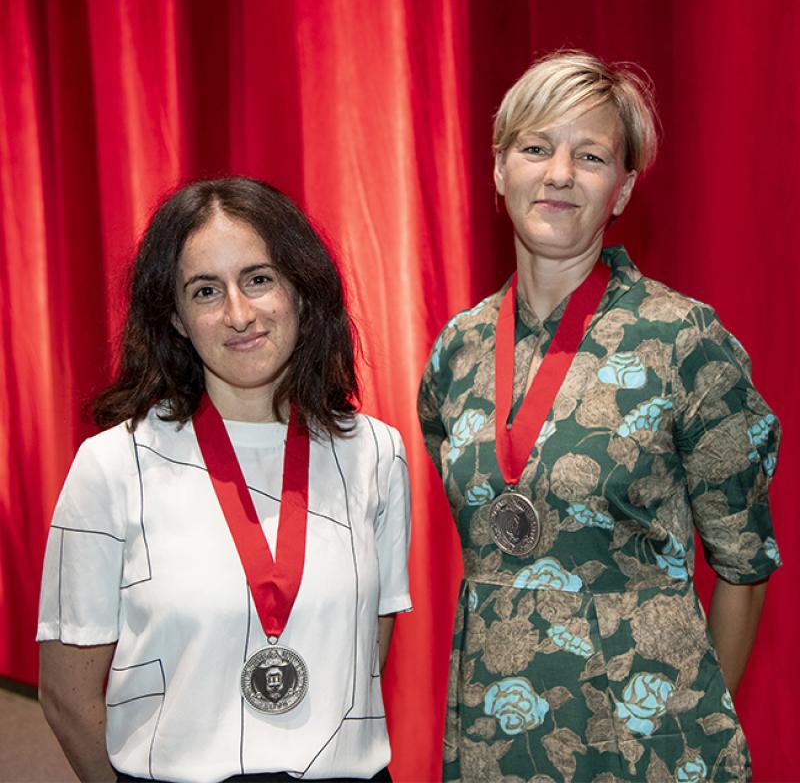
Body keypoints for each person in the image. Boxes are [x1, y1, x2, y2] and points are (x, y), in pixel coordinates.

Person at [418, 50, 781, 782]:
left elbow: (744, 565)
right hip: (497, 737)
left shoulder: (684, 340)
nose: (559, 173)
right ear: (498, 169)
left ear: (621, 190)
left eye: (589, 156)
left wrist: (694, 726)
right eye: (535, 147)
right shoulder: (455, 352)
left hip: (654, 745)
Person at [37, 177, 412, 783]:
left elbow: (363, 657)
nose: (239, 314)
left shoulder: (375, 453)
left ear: (300, 290)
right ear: (178, 319)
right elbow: (65, 697)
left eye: (259, 279)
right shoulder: (111, 466)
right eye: (206, 290)